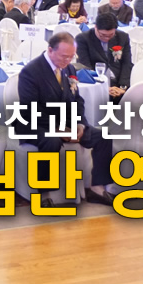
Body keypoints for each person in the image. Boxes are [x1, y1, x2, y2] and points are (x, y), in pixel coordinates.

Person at [16, 32, 115, 206]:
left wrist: (80, 124)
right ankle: (44, 194)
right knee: (51, 141)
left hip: (66, 122)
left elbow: (77, 100)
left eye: (71, 57)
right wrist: (59, 130)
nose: (68, 61)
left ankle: (97, 188)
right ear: (50, 50)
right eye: (64, 56)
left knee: (104, 136)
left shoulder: (69, 69)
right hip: (36, 123)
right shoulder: (31, 72)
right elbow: (31, 109)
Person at [75, 13, 132, 99]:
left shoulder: (123, 37)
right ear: (95, 27)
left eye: (111, 35)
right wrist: (102, 87)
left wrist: (123, 87)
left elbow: (126, 63)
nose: (107, 38)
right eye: (103, 35)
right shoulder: (83, 39)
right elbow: (85, 67)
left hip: (118, 81)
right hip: (96, 83)